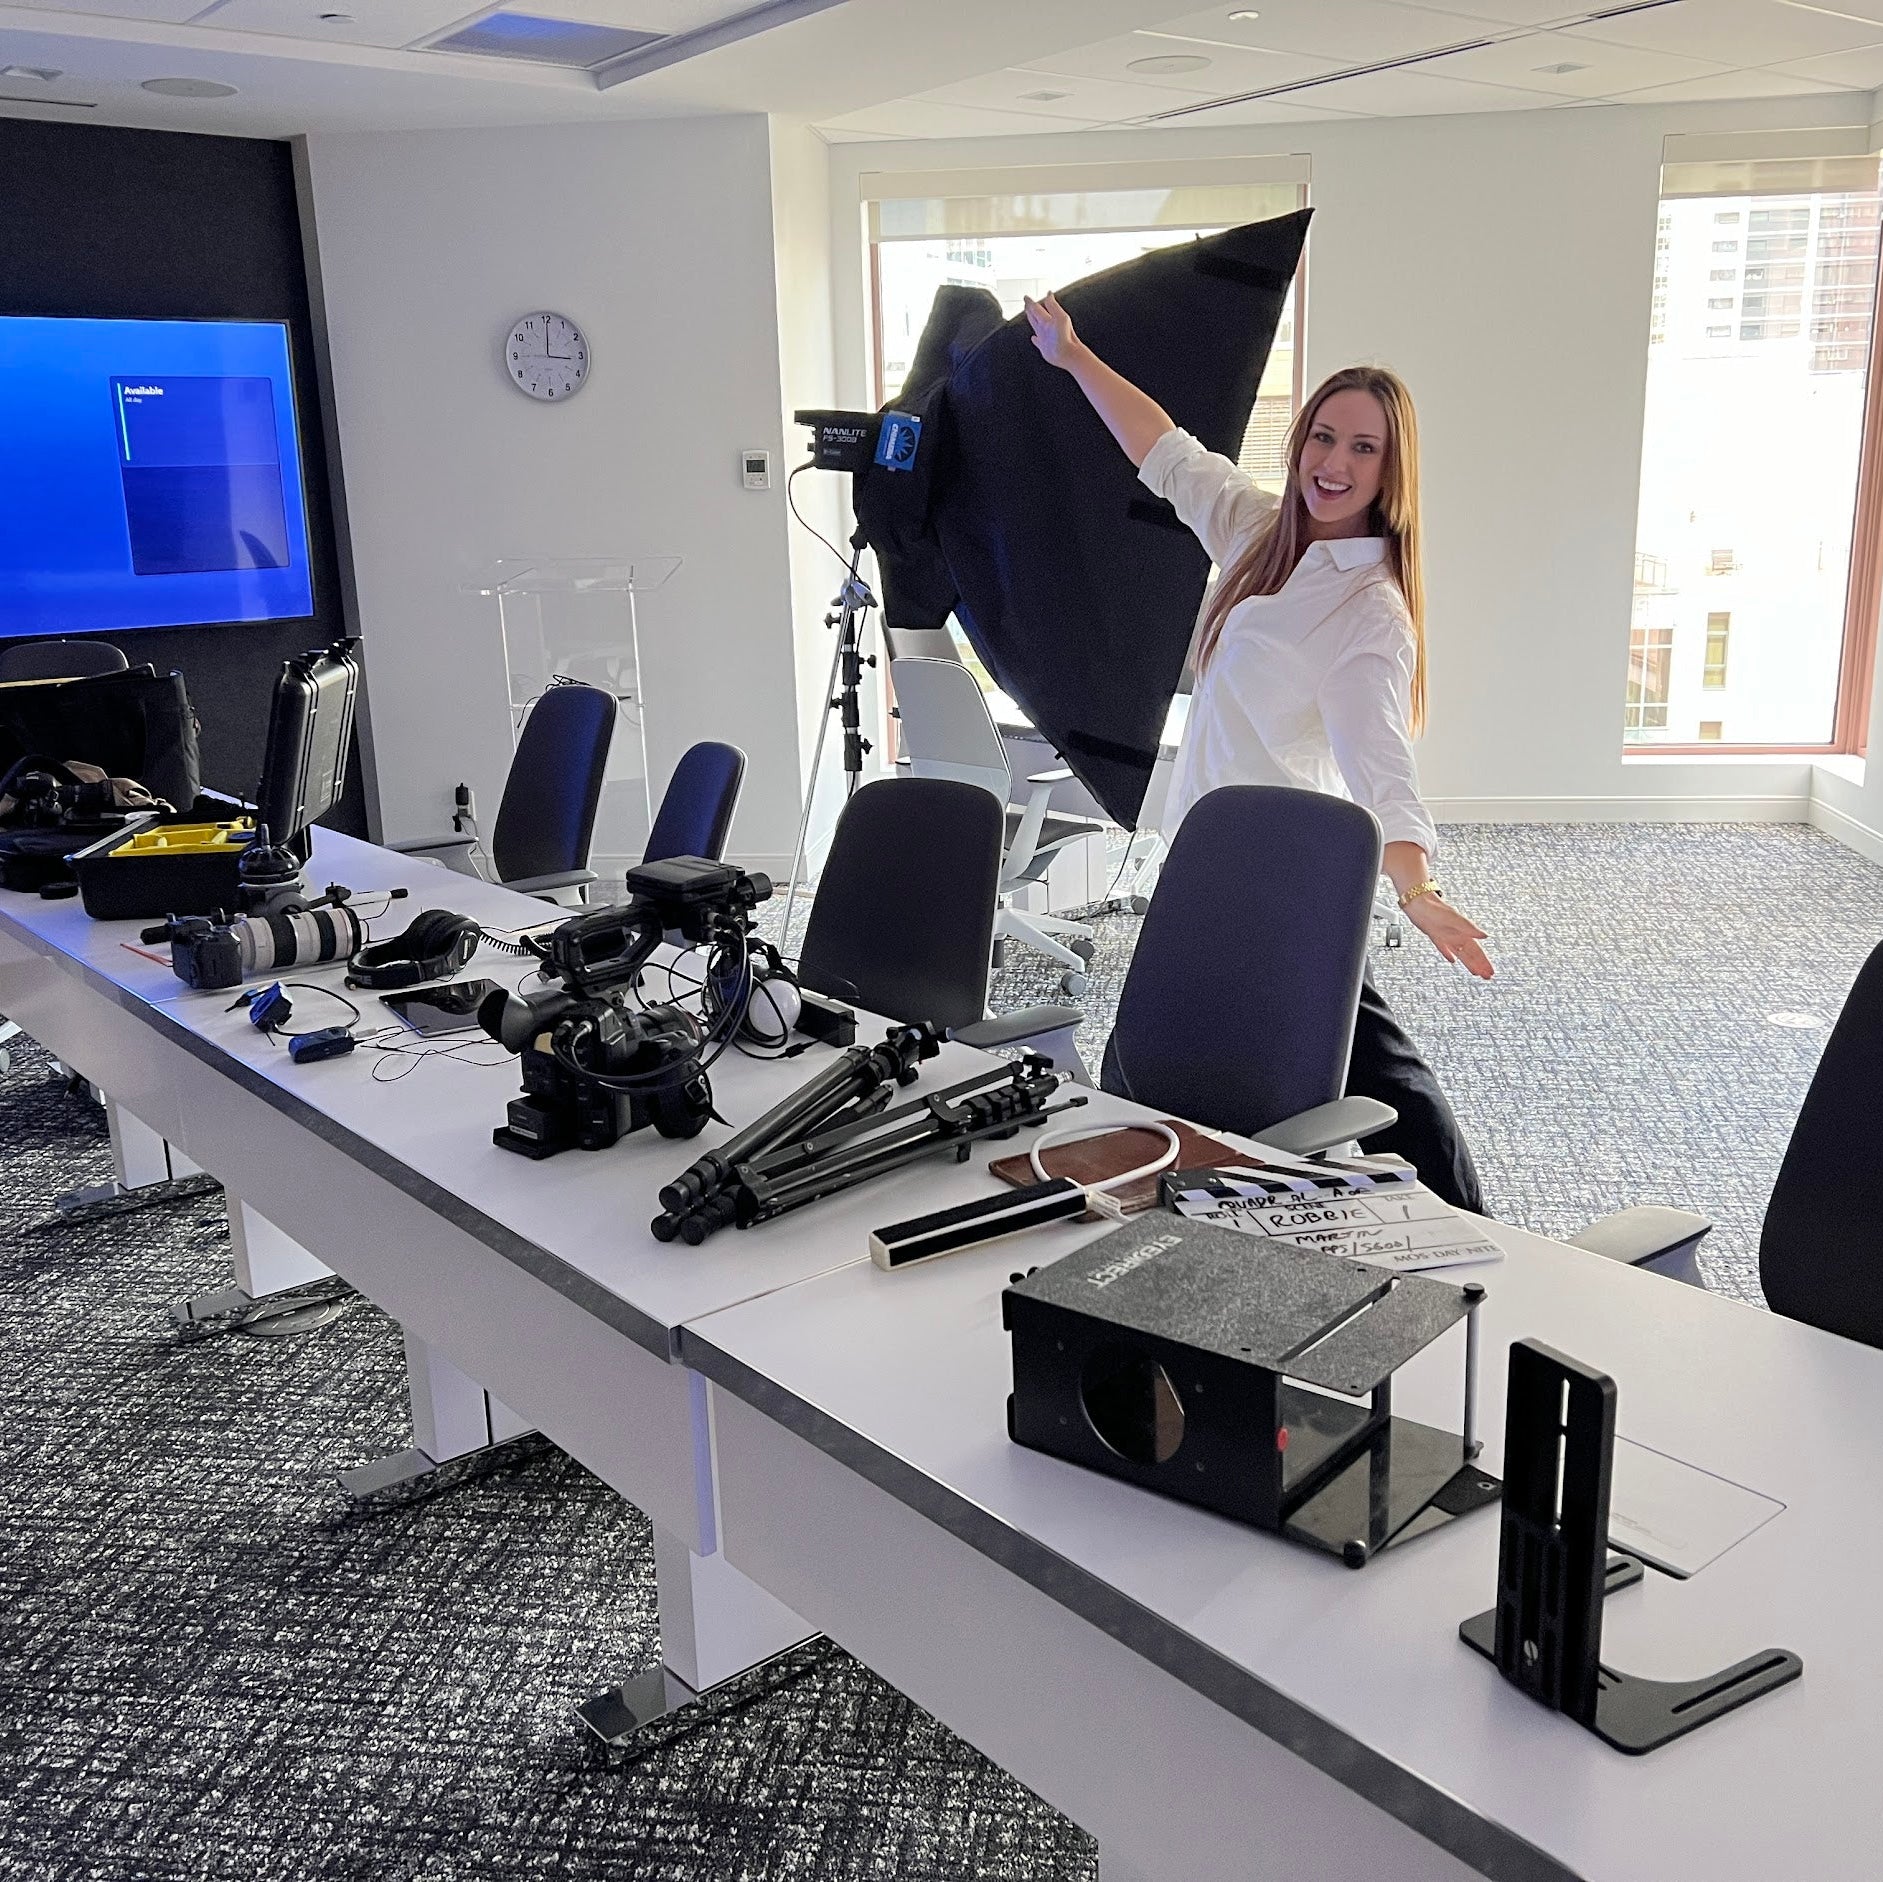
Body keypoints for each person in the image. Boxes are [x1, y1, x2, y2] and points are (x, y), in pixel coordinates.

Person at [1024, 289, 1490, 1215]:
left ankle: (1486, 1242)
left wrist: (1416, 887)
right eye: (1324, 437)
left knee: (1379, 1083)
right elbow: (1163, 449)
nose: (1335, 462)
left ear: (1391, 471)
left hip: (1287, 883)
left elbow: (1378, 765)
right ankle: (1164, 1231)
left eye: (1364, 448)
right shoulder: (1253, 533)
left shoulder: (1369, 613)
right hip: (1206, 863)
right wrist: (1072, 355)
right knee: (1179, 1066)